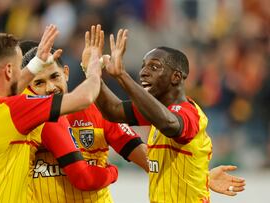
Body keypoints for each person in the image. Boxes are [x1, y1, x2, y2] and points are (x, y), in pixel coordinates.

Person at [0, 25, 117, 202]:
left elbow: (4, 91)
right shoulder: (13, 110)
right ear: (8, 70)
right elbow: (84, 98)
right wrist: (93, 70)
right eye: (18, 67)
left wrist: (36, 63)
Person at [94, 29, 245, 202]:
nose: (143, 72)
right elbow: (112, 110)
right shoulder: (154, 111)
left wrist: (122, 76)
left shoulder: (190, 113)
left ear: (175, 77)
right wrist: (92, 72)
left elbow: (170, 125)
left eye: (154, 67)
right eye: (143, 66)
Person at [21, 24, 148, 203]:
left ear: (66, 73)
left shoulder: (98, 112)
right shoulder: (24, 122)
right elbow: (84, 178)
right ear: (28, 87)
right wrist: (112, 172)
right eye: (39, 83)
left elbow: (147, 160)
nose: (50, 88)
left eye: (54, 77)